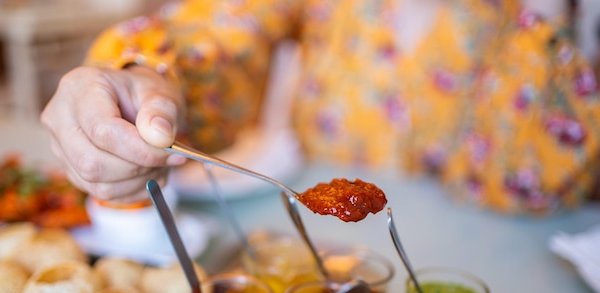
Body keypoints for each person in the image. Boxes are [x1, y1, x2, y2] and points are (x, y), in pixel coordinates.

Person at [41, 0, 600, 214]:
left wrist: (543, 15)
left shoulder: (526, 30)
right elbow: (222, 31)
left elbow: (535, 182)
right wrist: (143, 77)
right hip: (309, 241)